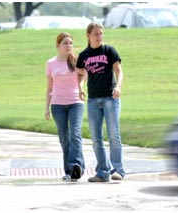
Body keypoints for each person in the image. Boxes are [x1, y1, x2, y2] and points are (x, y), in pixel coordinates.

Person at [76, 23, 125, 182]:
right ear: (88, 35)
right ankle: (102, 172)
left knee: (113, 135)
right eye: (96, 34)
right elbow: (80, 74)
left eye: (101, 33)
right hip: (93, 100)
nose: (99, 36)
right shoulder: (84, 55)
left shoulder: (109, 50)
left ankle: (118, 170)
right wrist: (80, 88)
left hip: (111, 98)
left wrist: (118, 86)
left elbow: (119, 71)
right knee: (96, 138)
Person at [45, 32, 85, 182]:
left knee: (75, 134)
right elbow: (49, 88)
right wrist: (46, 108)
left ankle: (76, 165)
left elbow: (82, 76)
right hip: (57, 104)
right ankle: (69, 171)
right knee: (64, 138)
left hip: (75, 102)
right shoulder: (51, 63)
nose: (68, 46)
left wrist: (81, 88)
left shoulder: (77, 60)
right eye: (65, 43)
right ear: (58, 45)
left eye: (70, 43)